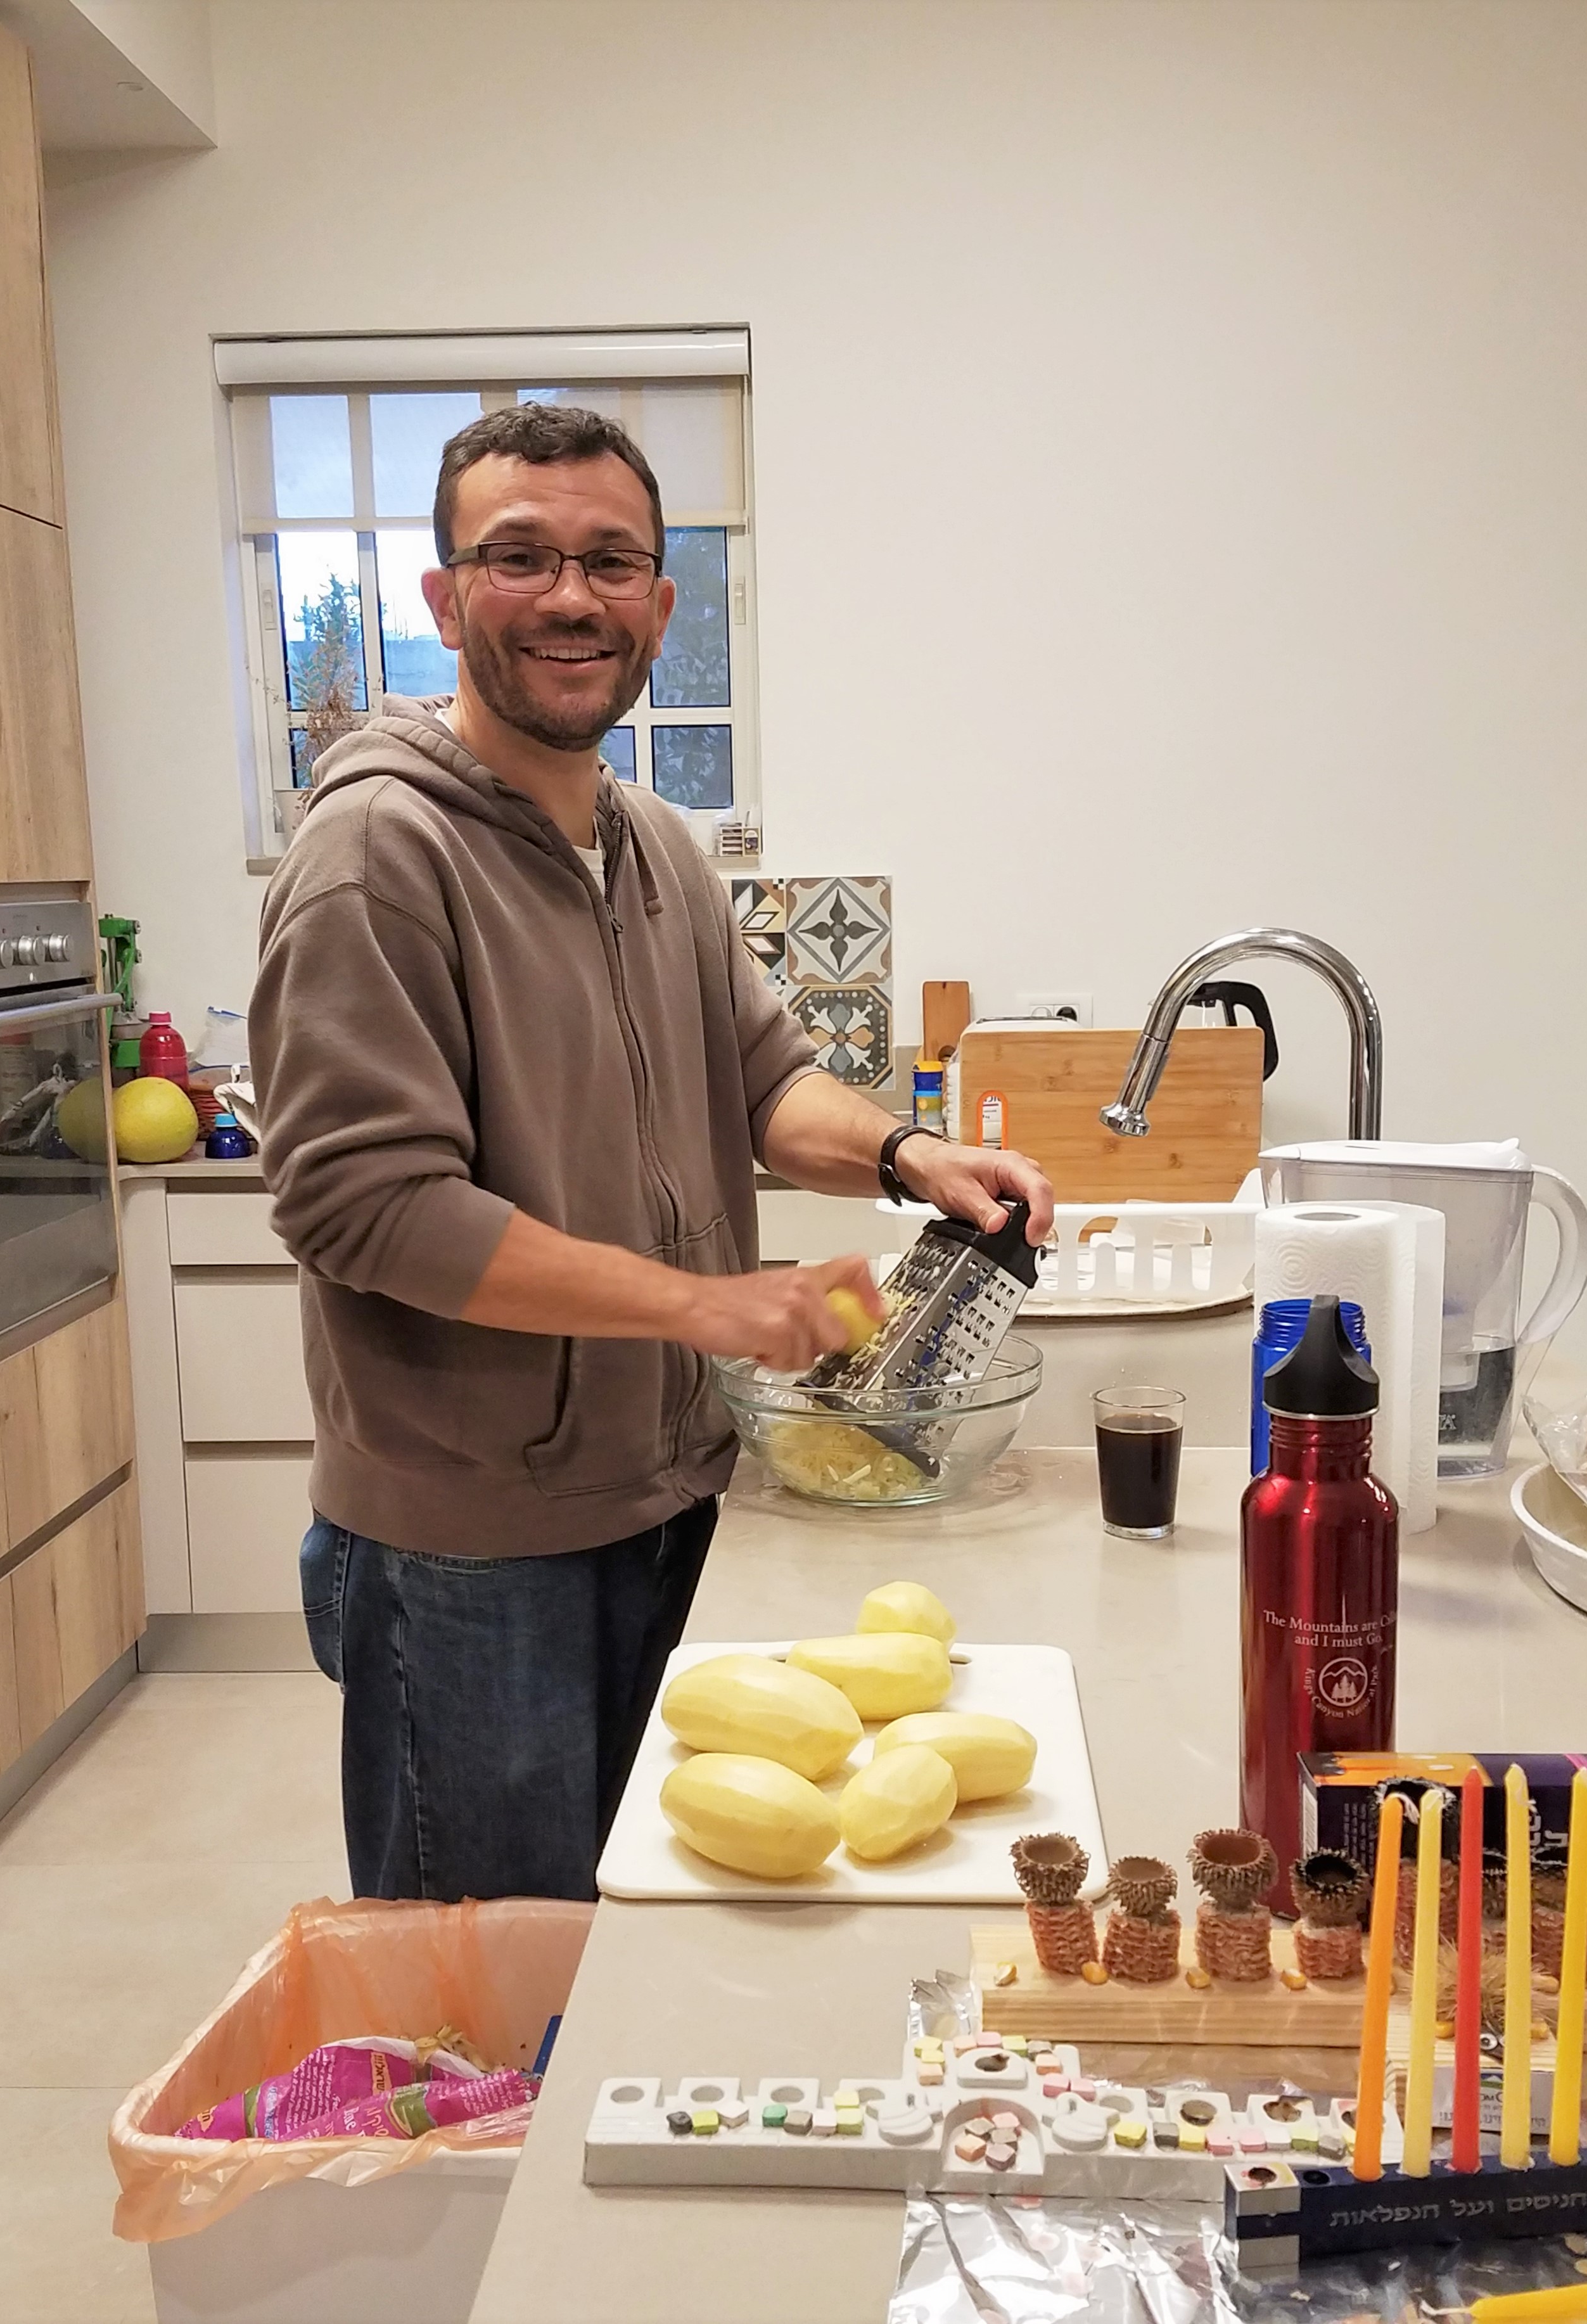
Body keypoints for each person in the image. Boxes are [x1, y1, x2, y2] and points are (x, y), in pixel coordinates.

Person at [249, 402, 1053, 1904]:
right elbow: (370, 1209)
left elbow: (762, 1083)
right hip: (473, 1548)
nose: (571, 596)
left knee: (644, 1941)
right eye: (519, 557)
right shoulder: (374, 852)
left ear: (660, 606)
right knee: (493, 1972)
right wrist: (703, 1305)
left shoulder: (654, 843)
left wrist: (909, 1154)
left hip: (667, 1489)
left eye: (610, 561)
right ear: (444, 601)